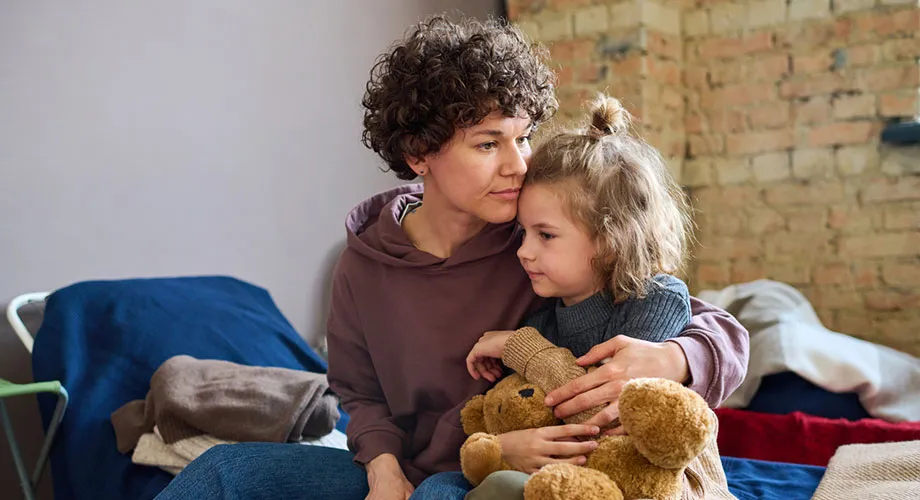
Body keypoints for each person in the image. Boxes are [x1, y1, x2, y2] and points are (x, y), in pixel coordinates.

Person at [153, 15, 748, 500]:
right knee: (223, 473)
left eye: (523, 136)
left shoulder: (537, 235)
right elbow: (359, 395)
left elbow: (694, 317)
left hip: (502, 469)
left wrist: (675, 359)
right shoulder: (363, 264)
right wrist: (383, 467)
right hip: (413, 469)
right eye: (489, 144)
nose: (517, 164)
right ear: (419, 155)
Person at [461, 94, 700, 499]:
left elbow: (602, 410)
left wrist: (520, 347)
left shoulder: (656, 299)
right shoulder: (542, 322)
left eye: (546, 235)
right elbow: (524, 412)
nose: (524, 251)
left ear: (609, 240)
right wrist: (504, 448)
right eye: (524, 233)